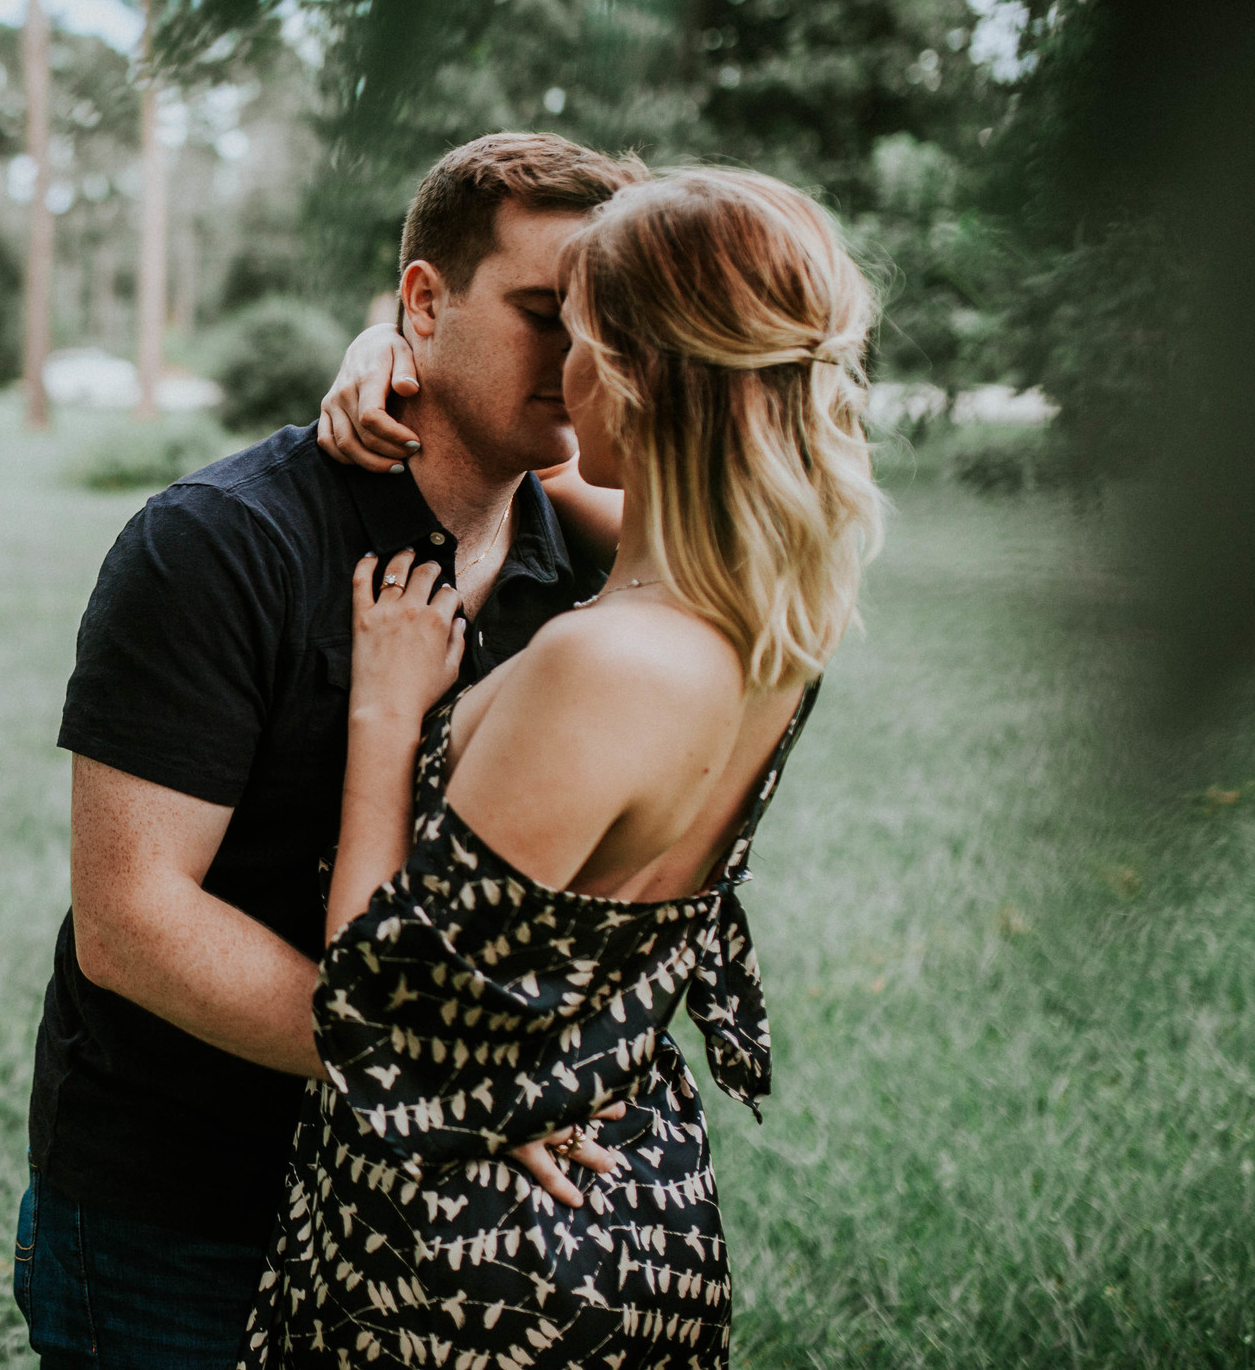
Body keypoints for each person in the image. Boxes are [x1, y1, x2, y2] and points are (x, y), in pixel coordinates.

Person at [16, 135, 643, 1369]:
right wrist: (452, 1076)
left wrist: (467, 1090)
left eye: (605, 326)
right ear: (421, 298)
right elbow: (133, 917)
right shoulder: (218, 543)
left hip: (442, 1217)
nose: (579, 363)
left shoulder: (586, 569)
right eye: (539, 314)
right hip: (187, 1211)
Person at [241, 168, 884, 1368]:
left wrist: (387, 715)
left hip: (466, 1267)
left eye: (575, 339)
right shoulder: (770, 628)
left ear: (633, 375)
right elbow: (548, 462)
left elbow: (377, 1016)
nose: (557, 377)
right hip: (636, 1208)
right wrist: (390, 342)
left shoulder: (601, 661)